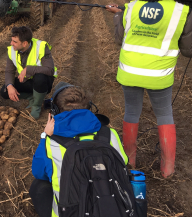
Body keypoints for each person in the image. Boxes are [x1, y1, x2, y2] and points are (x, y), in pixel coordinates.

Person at [105, 0, 192, 178]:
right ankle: (167, 169)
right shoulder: (183, 11)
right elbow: (191, 50)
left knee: (131, 112)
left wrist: (117, 17)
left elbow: (119, 39)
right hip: (159, 76)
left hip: (129, 72)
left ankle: (129, 162)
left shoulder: (130, 8)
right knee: (165, 115)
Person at [30, 82, 128, 217]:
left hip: (73, 212)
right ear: (90, 108)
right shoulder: (110, 134)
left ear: (54, 112)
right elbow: (124, 162)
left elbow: (38, 173)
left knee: (39, 185)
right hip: (112, 209)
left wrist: (45, 135)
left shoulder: (52, 142)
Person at [0, 26, 57, 119]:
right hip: (27, 81)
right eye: (11, 40)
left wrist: (28, 69)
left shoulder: (41, 47)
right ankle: (32, 97)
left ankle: (36, 106)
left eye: (15, 42)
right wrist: (9, 85)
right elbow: (9, 71)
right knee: (4, 91)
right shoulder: (12, 50)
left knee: (40, 78)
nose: (11, 43)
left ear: (25, 43)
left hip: (43, 83)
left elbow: (50, 70)